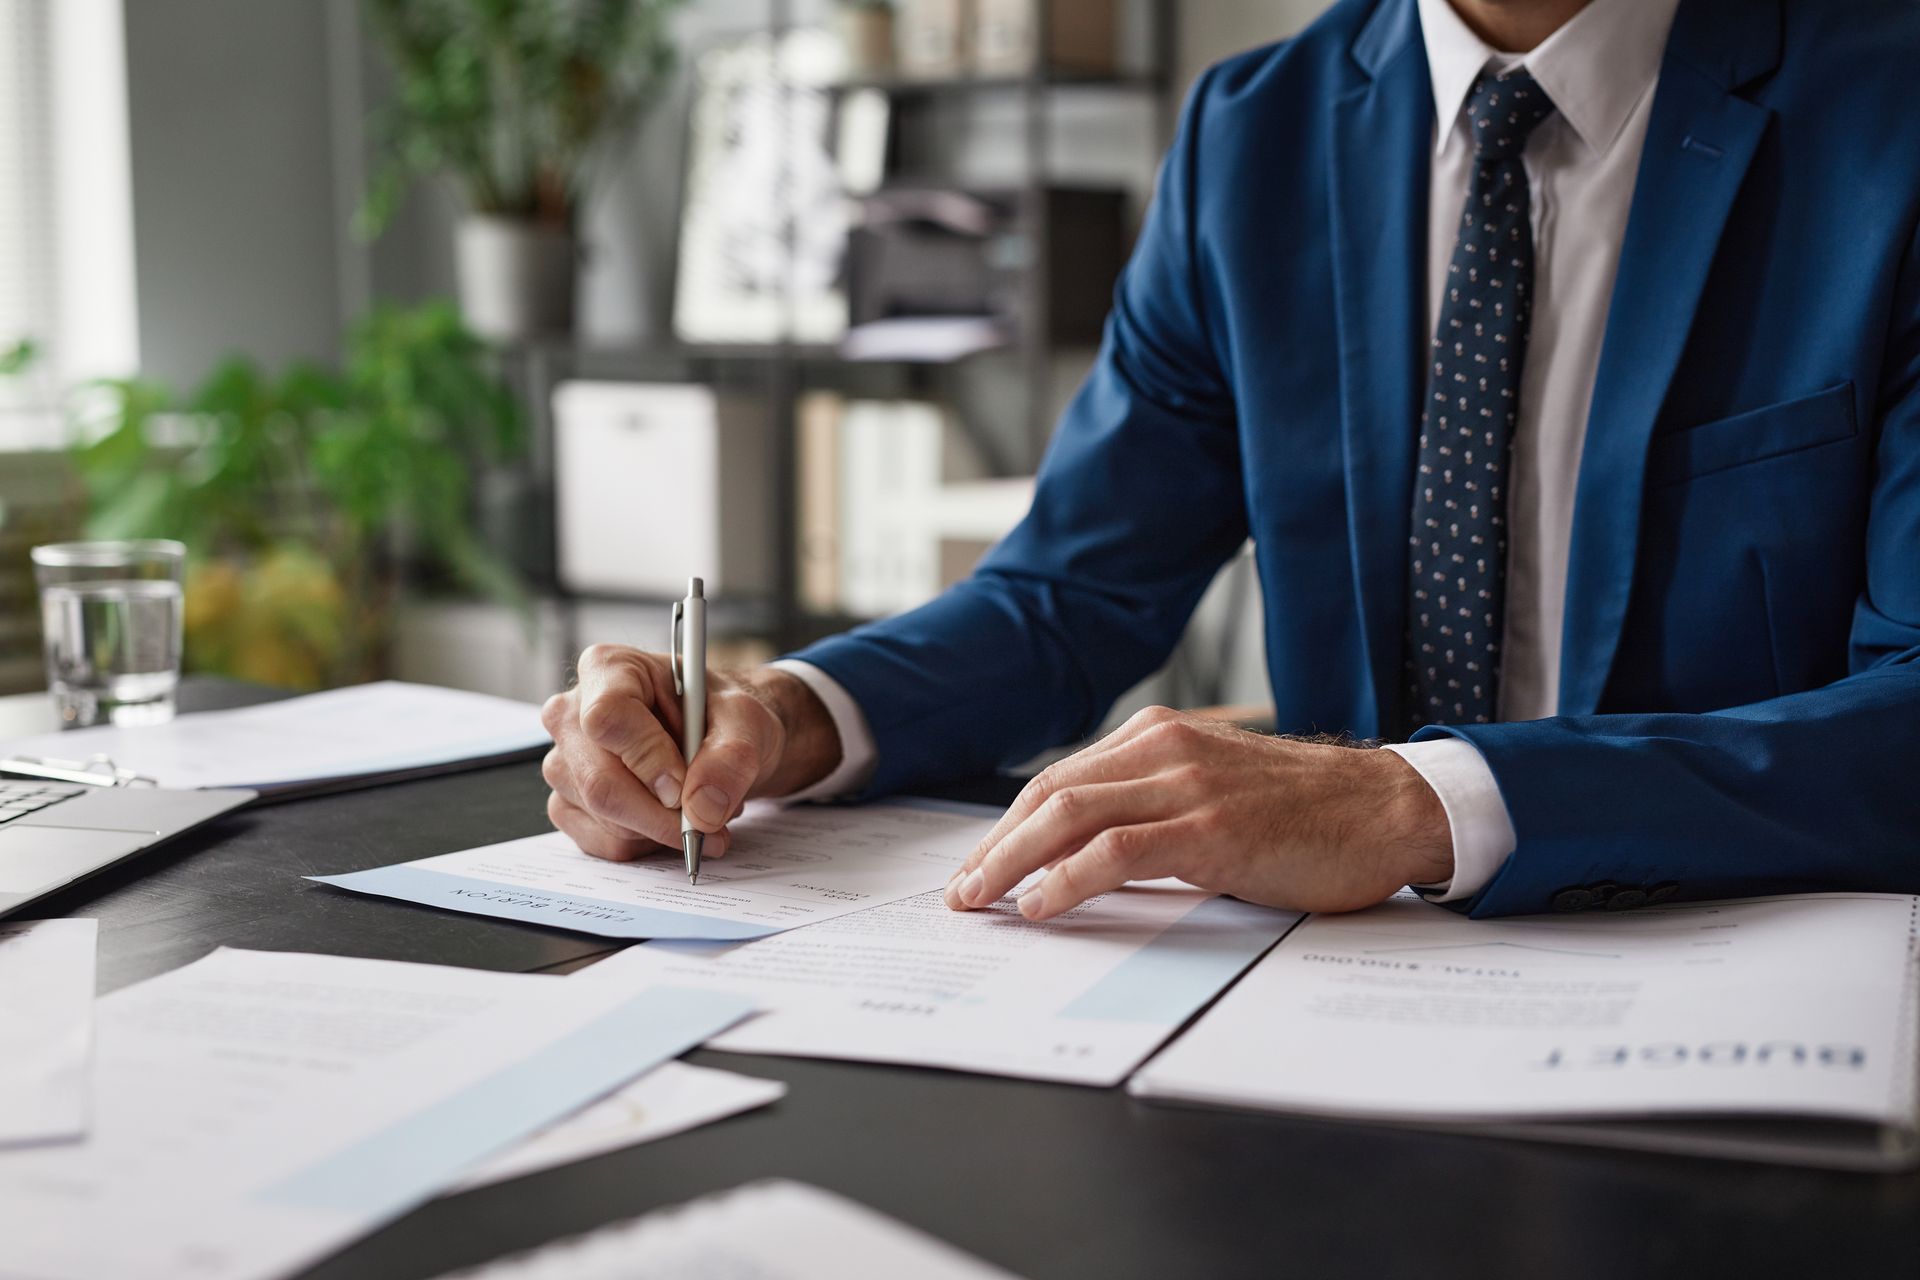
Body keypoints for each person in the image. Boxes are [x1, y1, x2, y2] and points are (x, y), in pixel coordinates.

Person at [542, 0, 1920, 923]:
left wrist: (1414, 801)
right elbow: (1071, 596)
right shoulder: (1249, 139)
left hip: (1738, 983)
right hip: (1323, 1010)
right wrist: (782, 715)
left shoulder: (1890, 113)